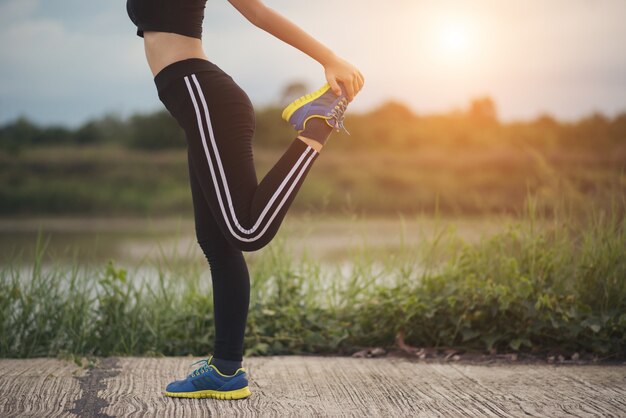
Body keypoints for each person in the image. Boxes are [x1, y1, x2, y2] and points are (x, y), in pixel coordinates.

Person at [126, 0, 364, 400]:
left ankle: (319, 123)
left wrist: (330, 58)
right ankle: (225, 369)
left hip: (204, 96)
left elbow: (256, 12)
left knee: (246, 231)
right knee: (216, 242)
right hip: (196, 104)